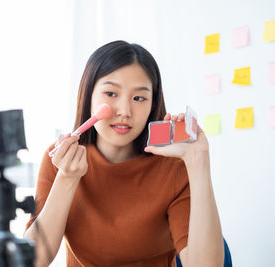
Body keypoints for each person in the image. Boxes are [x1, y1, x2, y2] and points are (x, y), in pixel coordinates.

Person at [24, 40, 224, 267]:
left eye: (139, 98)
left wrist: (199, 162)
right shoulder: (59, 159)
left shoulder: (173, 167)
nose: (125, 111)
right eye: (111, 93)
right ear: (89, 95)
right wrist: (67, 178)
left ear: (152, 104)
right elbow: (32, 262)